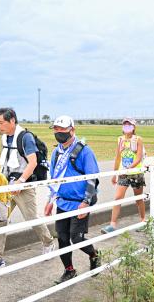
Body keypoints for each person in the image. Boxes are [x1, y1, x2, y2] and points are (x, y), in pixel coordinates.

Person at [0, 107, 54, 269]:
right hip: (5, 185)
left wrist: (21, 181)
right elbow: (5, 161)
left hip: (23, 186)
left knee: (31, 218)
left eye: (1, 122)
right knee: (0, 220)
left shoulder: (25, 137)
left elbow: (32, 162)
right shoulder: (5, 138)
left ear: (12, 120)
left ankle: (48, 242)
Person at [45, 116, 101, 284]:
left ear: (72, 130)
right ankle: (69, 270)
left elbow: (93, 178)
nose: (59, 133)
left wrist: (86, 202)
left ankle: (94, 255)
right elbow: (54, 178)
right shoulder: (56, 152)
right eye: (56, 130)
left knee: (76, 237)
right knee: (62, 237)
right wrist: (50, 201)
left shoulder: (84, 151)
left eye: (63, 130)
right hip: (62, 201)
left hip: (80, 202)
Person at [101, 117, 146, 234]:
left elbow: (139, 157)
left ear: (134, 127)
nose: (127, 127)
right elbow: (117, 158)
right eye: (125, 125)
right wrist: (114, 173)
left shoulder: (138, 139)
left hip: (136, 173)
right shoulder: (120, 140)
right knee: (118, 198)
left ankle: (143, 220)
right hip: (123, 174)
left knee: (138, 199)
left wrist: (131, 167)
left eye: (129, 125)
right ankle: (112, 224)